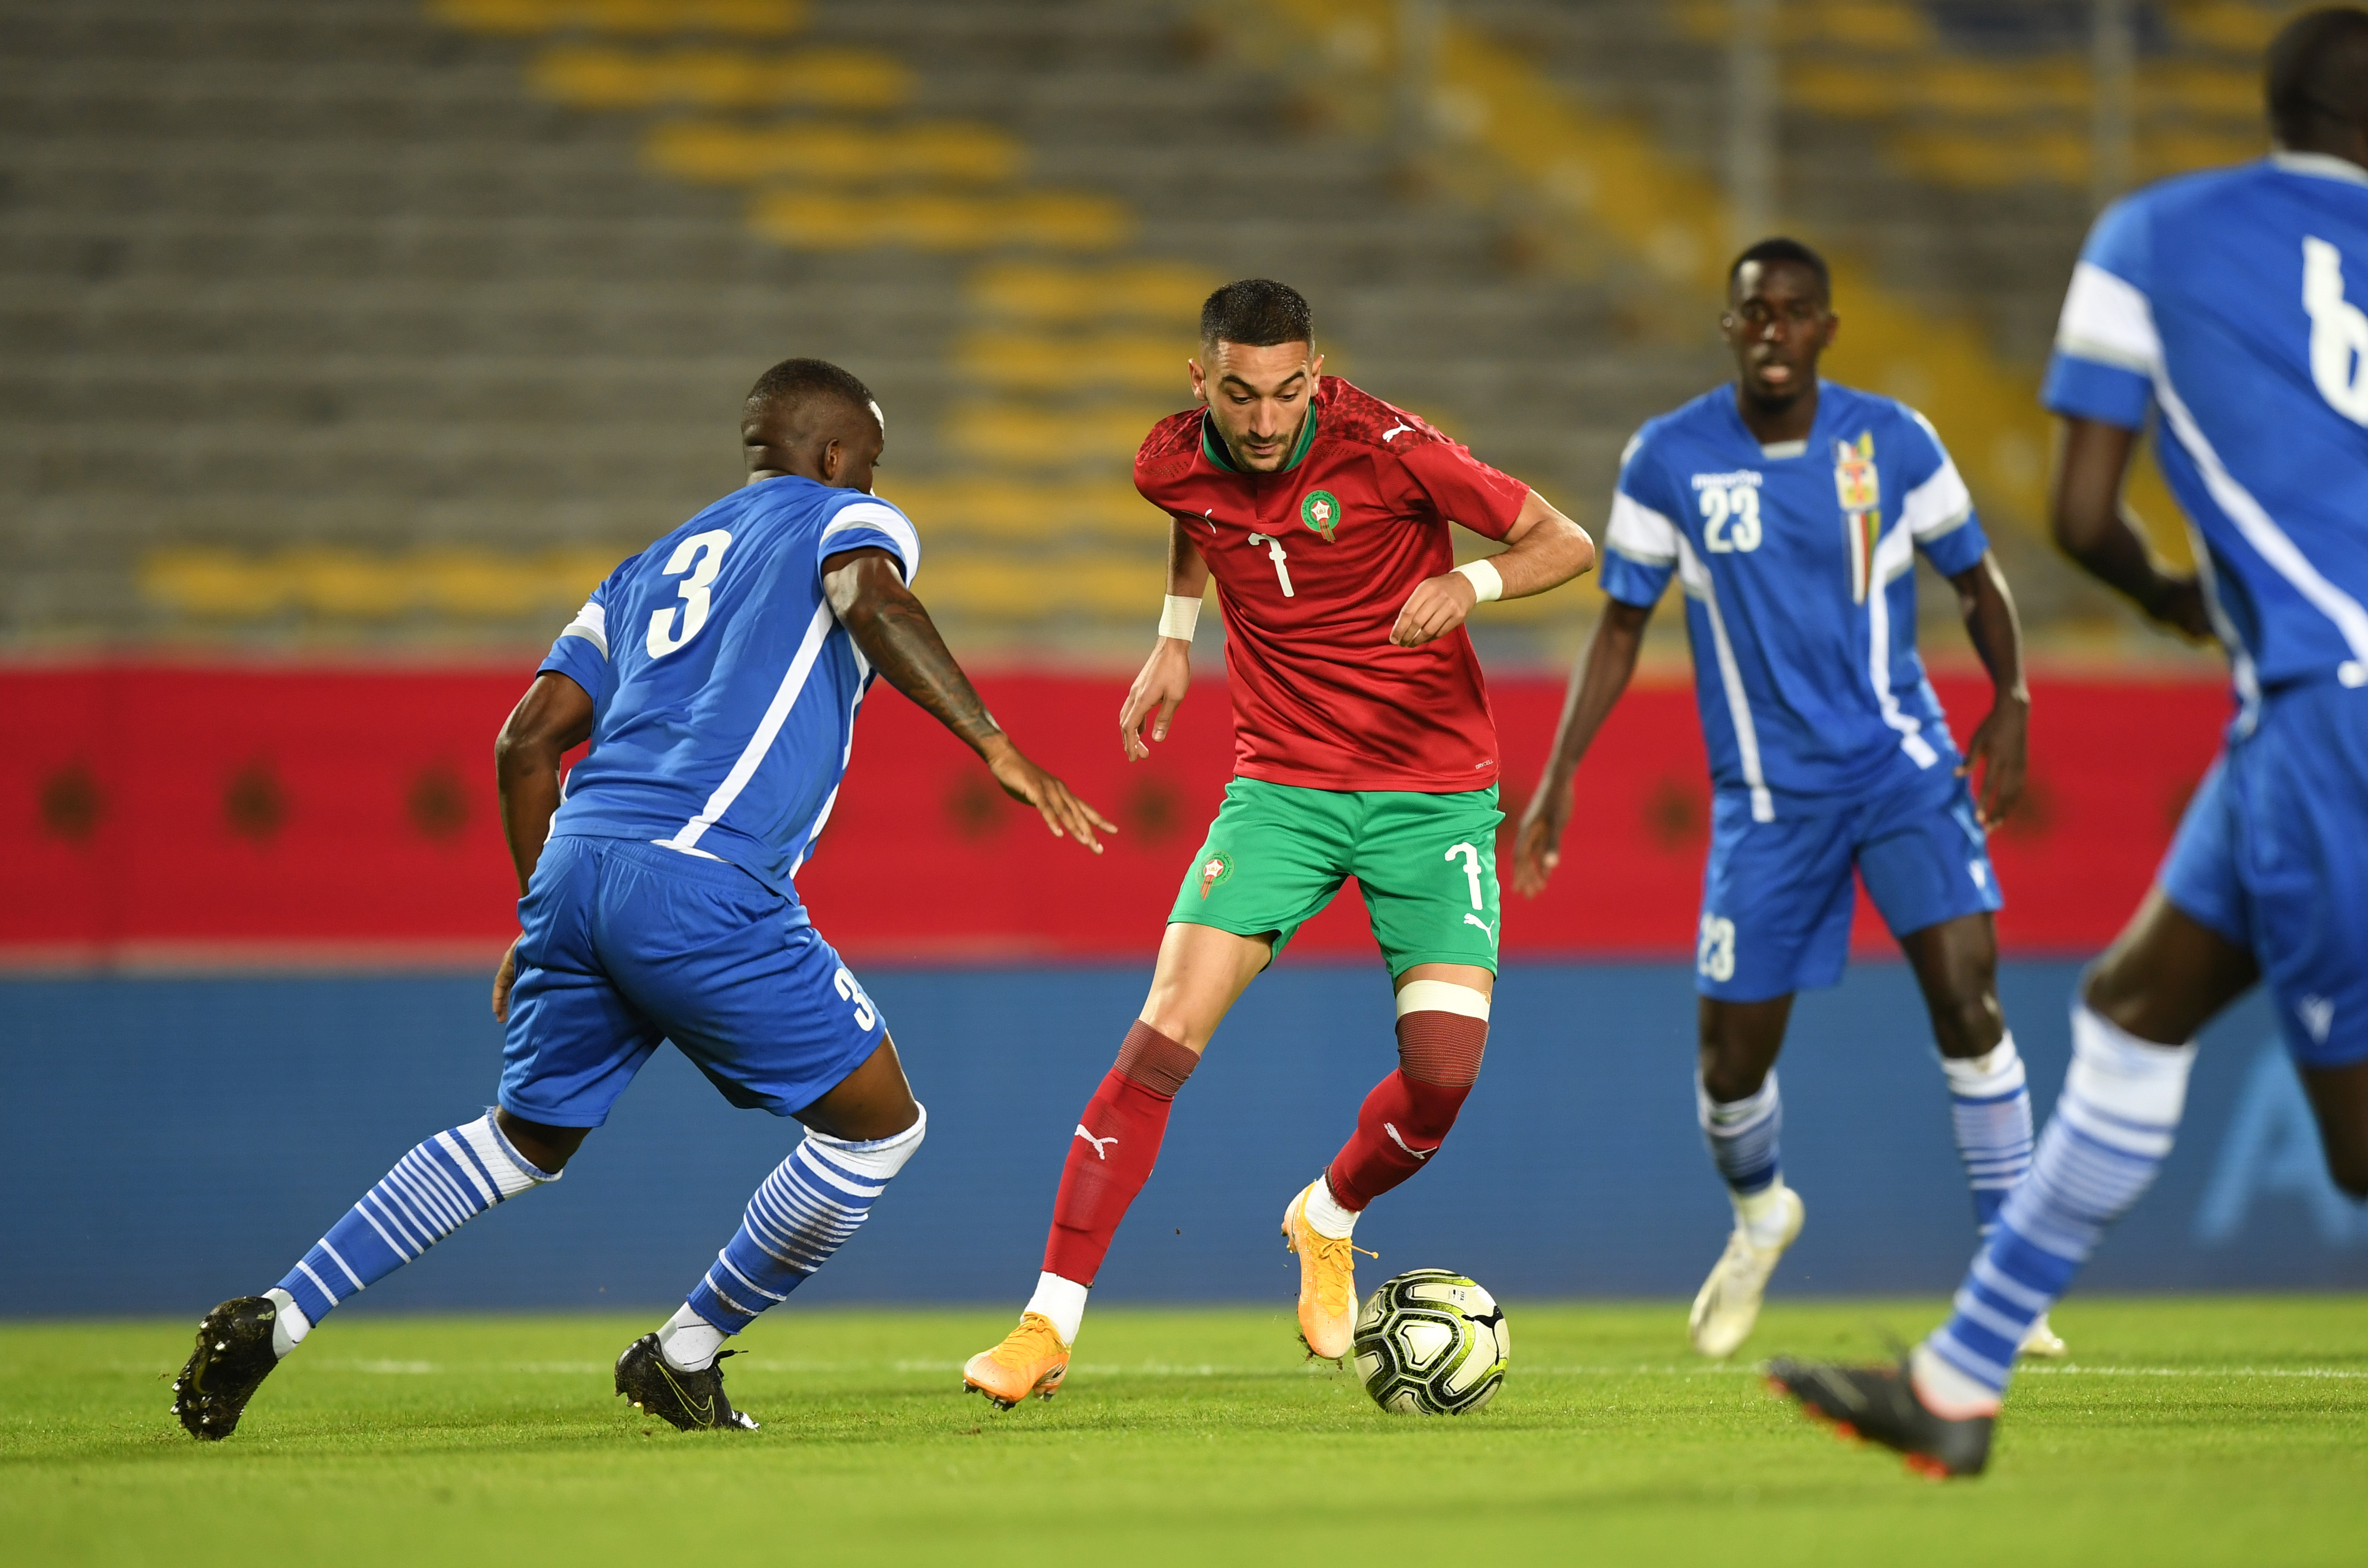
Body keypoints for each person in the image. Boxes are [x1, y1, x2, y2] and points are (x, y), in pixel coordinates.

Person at [171, 358, 1112, 1439]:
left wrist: (537, 923)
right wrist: (991, 740)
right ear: (840, 456)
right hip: (702, 878)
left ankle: (278, 1313)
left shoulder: (646, 569)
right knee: (876, 1133)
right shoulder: (849, 521)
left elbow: (525, 743)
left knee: (519, 1142)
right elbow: (867, 596)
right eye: (870, 468)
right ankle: (684, 1350)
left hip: (577, 863)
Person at [1769, 7, 2368, 1478]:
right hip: (2295, 712)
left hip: (2327, 702)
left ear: (2271, 102)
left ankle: (1962, 1377)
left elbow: (2081, 507)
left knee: (2357, 1142)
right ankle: (1961, 1379)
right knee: (2130, 1003)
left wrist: (2170, 595)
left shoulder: (2155, 233)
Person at [959, 279, 1596, 1407]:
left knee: (1439, 1081)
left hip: (1433, 794)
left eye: (1289, 392)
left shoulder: (1391, 451)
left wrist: (1469, 577)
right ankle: (1045, 1324)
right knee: (1161, 1035)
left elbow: (1566, 540)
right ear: (1199, 380)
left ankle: (1329, 1211)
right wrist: (1173, 637)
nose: (1265, 422)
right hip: (1282, 788)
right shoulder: (1168, 459)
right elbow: (1201, 518)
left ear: (1318, 375)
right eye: (1242, 395)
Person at [1513, 238, 2055, 1363]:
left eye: (1795, 312)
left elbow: (1973, 576)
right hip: (1768, 802)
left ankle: (2011, 1279)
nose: (1774, 330)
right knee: (1730, 1063)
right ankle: (1759, 1213)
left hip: (1901, 769)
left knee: (1968, 998)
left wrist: (2008, 696)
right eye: (1754, 313)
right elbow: (1620, 622)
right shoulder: (1667, 458)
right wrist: (1560, 769)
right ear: (1728, 329)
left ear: (1825, 330)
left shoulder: (1894, 442)